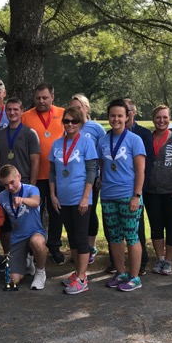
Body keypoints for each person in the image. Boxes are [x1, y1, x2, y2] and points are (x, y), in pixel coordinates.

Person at [98, 99, 146, 292]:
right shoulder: (103, 140)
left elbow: (140, 170)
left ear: (127, 117)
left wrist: (136, 195)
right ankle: (120, 273)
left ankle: (135, 277)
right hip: (108, 196)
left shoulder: (135, 140)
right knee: (115, 237)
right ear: (108, 117)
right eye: (113, 115)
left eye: (120, 115)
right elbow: (102, 166)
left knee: (132, 237)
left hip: (128, 195)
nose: (116, 119)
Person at [50, 106, 99, 295]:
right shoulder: (57, 144)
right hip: (63, 199)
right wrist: (53, 195)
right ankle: (78, 272)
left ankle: (82, 278)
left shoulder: (86, 142)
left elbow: (92, 171)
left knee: (81, 238)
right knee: (71, 238)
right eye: (66, 121)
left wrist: (86, 197)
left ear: (80, 123)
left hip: (81, 199)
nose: (70, 124)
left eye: (74, 121)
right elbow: (52, 172)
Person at [21, 82, 65, 264]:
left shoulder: (63, 114)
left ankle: (54, 246)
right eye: (38, 98)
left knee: (56, 212)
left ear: (52, 97)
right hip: (34, 175)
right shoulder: (25, 117)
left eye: (45, 97)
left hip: (58, 175)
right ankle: (34, 248)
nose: (41, 101)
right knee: (35, 213)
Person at [145, 105, 172, 276]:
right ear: (153, 119)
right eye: (158, 117)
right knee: (156, 226)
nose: (161, 120)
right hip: (151, 191)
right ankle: (160, 258)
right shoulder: (147, 139)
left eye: (165, 117)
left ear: (170, 118)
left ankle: (169, 261)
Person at [0, 97, 40, 250]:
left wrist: (31, 186)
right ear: (5, 111)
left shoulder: (30, 133)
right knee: (3, 226)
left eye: (15, 109)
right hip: (3, 186)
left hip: (22, 184)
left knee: (26, 225)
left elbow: (35, 161)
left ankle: (28, 256)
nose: (12, 113)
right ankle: (9, 256)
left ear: (22, 111)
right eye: (9, 109)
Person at [0, 164, 48, 290]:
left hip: (35, 232)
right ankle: (27, 263)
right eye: (5, 185)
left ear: (19, 176)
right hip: (17, 237)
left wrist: (22, 200)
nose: (10, 187)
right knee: (12, 280)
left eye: (12, 182)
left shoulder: (32, 189)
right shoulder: (1, 197)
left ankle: (40, 272)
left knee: (37, 242)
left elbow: (36, 202)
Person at [70, 94, 106, 264]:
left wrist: (101, 175)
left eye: (79, 107)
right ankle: (79, 247)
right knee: (76, 213)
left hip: (92, 178)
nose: (76, 111)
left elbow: (104, 153)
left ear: (86, 108)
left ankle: (90, 247)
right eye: (73, 108)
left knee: (89, 213)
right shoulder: (70, 126)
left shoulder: (96, 128)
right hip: (73, 179)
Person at [124, 98, 153, 275]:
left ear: (133, 112)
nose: (124, 114)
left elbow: (147, 165)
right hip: (118, 188)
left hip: (137, 188)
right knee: (117, 229)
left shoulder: (143, 133)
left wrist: (139, 189)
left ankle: (141, 262)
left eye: (128, 110)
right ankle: (116, 262)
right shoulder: (111, 134)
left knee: (136, 227)